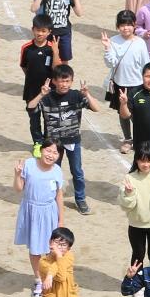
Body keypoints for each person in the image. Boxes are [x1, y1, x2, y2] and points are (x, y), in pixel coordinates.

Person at [29, 64, 99, 215]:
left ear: (72, 81)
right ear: (54, 81)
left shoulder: (76, 96)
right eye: (61, 81)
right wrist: (41, 94)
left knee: (77, 172)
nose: (64, 84)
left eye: (67, 81)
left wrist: (87, 94)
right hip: (53, 145)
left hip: (73, 140)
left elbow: (96, 108)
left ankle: (80, 199)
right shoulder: (46, 98)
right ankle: (52, 198)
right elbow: (30, 107)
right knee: (52, 172)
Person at [15, 141, 69, 297]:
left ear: (59, 156)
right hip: (31, 211)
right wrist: (17, 174)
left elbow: (59, 196)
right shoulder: (29, 165)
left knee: (51, 248)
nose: (51, 155)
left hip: (49, 212)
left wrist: (61, 220)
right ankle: (38, 280)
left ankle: (50, 277)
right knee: (34, 249)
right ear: (41, 150)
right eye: (48, 150)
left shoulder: (57, 171)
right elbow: (18, 188)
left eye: (55, 152)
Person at [101, 10, 150, 149]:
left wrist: (147, 84)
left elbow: (145, 65)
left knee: (138, 114)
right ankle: (128, 139)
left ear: (134, 25)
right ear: (117, 26)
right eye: (122, 25)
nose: (125, 28)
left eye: (129, 24)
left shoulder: (140, 43)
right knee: (123, 114)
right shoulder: (113, 41)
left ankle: (140, 139)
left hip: (137, 85)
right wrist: (107, 48)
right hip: (120, 84)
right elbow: (110, 63)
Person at [18, 18, 65, 147]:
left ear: (49, 32)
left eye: (43, 31)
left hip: (49, 91)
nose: (40, 33)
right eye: (37, 30)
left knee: (49, 119)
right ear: (33, 30)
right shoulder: (26, 48)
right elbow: (23, 66)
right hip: (31, 91)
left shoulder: (52, 48)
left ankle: (47, 143)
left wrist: (55, 52)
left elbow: (57, 69)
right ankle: (37, 144)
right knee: (34, 120)